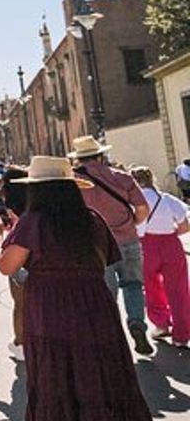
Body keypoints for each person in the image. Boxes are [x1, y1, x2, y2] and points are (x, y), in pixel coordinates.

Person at [0, 156, 174, 421]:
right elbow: (103, 261)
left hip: (50, 309)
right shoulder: (92, 219)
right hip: (94, 306)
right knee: (103, 378)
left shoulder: (34, 221)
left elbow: (7, 265)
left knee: (57, 381)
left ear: (39, 190)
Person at [69, 135, 152, 355]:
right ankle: (136, 324)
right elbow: (143, 208)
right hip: (128, 240)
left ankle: (112, 338)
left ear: (79, 159)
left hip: (97, 246)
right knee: (133, 285)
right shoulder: (123, 177)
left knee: (106, 294)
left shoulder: (74, 183)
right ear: (101, 154)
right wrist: (130, 223)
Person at [131, 166, 190, 347]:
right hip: (170, 243)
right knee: (179, 288)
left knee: (151, 287)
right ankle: (182, 333)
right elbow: (185, 226)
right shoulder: (167, 199)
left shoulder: (134, 203)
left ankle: (161, 323)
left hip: (146, 245)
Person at [0, 166, 31, 361]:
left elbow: (7, 226)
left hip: (15, 250)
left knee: (20, 304)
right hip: (36, 252)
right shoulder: (34, 198)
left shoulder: (6, 200)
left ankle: (20, 342)